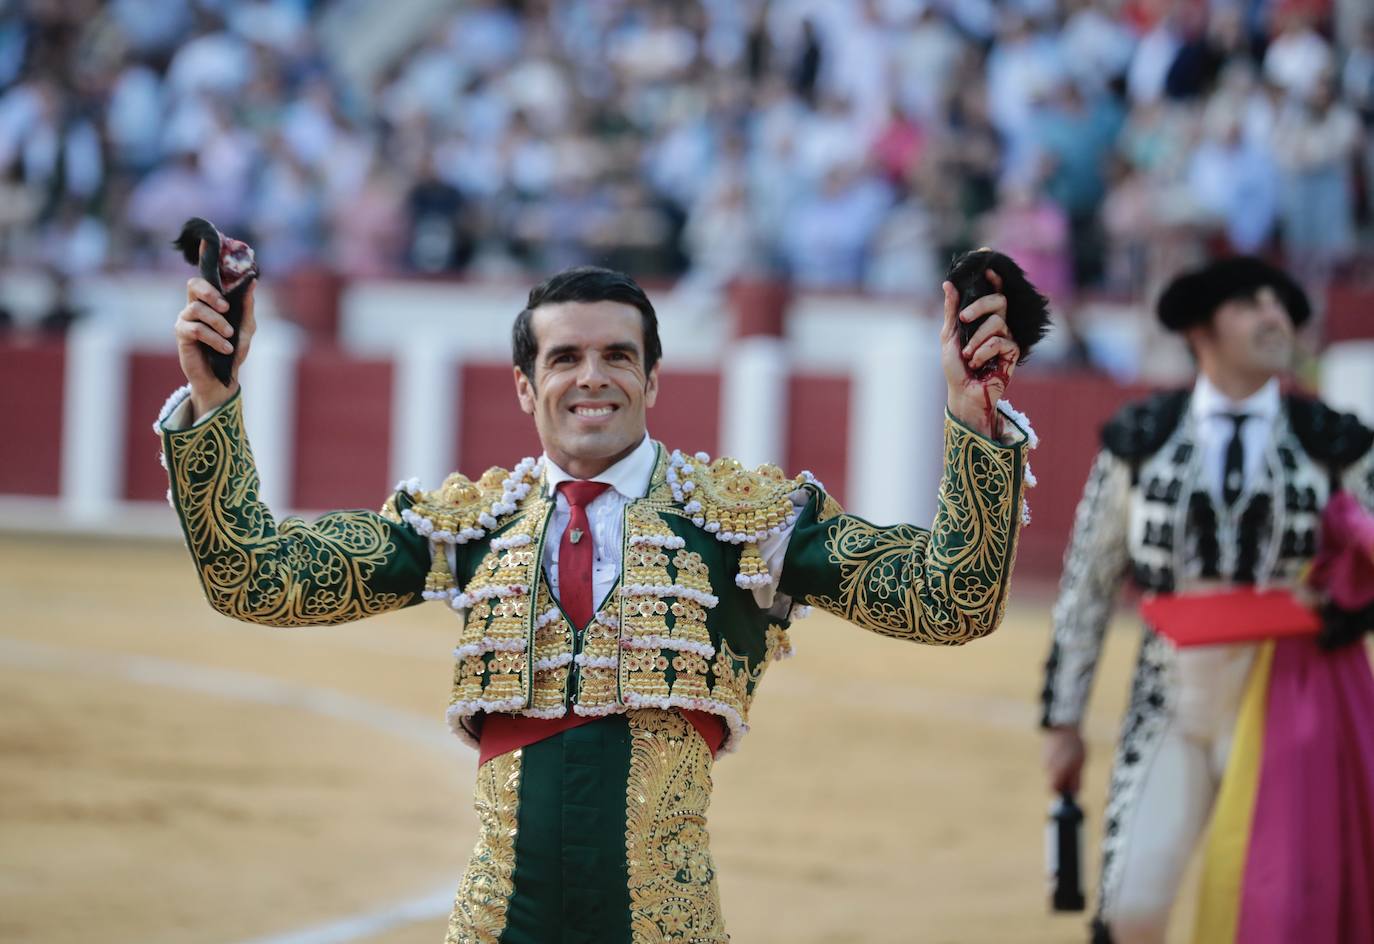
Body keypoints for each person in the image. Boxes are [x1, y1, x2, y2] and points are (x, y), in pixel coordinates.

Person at [157, 263, 1034, 943]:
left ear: (653, 380)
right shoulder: (469, 526)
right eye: (565, 357)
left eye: (618, 355)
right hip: (499, 926)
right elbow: (257, 577)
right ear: (523, 385)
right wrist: (214, 401)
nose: (593, 377)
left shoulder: (743, 524)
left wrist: (973, 423)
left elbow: (947, 598)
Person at [1039, 256, 1374, 944]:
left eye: (1280, 303)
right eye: (1250, 304)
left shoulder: (1334, 441)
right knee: (1130, 905)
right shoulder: (1142, 439)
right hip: (1170, 697)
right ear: (1201, 328)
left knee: (1284, 912)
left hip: (1288, 698)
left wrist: (1342, 608)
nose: (1274, 315)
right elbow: (1089, 583)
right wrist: (1063, 717)